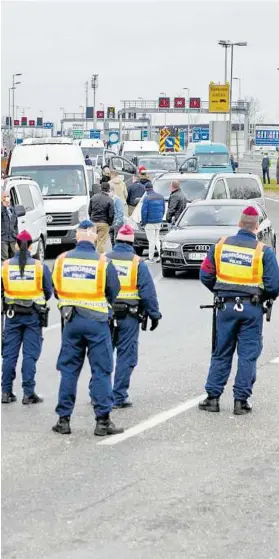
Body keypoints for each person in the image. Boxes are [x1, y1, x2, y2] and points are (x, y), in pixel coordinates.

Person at [199, 206, 279, 415]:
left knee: (221, 352)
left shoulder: (220, 245)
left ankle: (213, 398)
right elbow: (273, 286)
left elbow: (206, 275)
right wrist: (263, 298)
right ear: (256, 228)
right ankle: (240, 402)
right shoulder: (264, 251)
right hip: (251, 308)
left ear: (239, 224)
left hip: (225, 307)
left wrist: (220, 291)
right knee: (247, 355)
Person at [52, 220, 123, 436]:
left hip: (71, 321)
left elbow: (56, 290)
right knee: (101, 370)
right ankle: (102, 422)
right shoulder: (103, 262)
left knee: (69, 370)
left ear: (76, 236)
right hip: (97, 323)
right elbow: (113, 290)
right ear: (94, 236)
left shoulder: (62, 260)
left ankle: (63, 421)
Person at [106, 224, 162, 408]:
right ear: (132, 243)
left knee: (103, 354)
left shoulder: (103, 260)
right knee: (126, 355)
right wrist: (154, 315)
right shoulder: (137, 263)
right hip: (128, 316)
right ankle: (118, 396)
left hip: (105, 315)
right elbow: (148, 294)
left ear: (116, 240)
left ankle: (97, 392)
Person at [1, 230, 53, 404]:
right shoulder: (39, 266)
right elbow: (48, 291)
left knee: (9, 354)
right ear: (30, 246)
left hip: (12, 315)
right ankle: (28, 393)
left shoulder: (5, 266)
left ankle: (6, 392)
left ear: (16, 245)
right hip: (33, 315)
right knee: (30, 355)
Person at [141, 180, 165, 263]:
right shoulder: (161, 196)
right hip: (158, 221)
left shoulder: (146, 198)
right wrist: (160, 218)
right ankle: (161, 255)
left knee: (151, 240)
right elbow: (163, 209)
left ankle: (150, 258)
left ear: (146, 189)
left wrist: (143, 223)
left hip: (149, 222)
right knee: (157, 239)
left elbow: (144, 212)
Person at [88, 182, 115, 253]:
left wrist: (91, 219)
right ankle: (99, 258)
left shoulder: (93, 197)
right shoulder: (110, 200)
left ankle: (91, 256)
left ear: (100, 188)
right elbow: (111, 214)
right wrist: (109, 223)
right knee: (101, 242)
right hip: (104, 223)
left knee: (93, 240)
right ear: (108, 189)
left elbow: (89, 210)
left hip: (93, 222)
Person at [1, 191, 18, 262]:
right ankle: (4, 272)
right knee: (4, 257)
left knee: (14, 257)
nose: (6, 198)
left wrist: (16, 236)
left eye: (8, 196)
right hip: (3, 238)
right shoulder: (1, 210)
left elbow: (16, 225)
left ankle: (12, 272)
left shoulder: (13, 210)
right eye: (4, 197)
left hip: (12, 238)